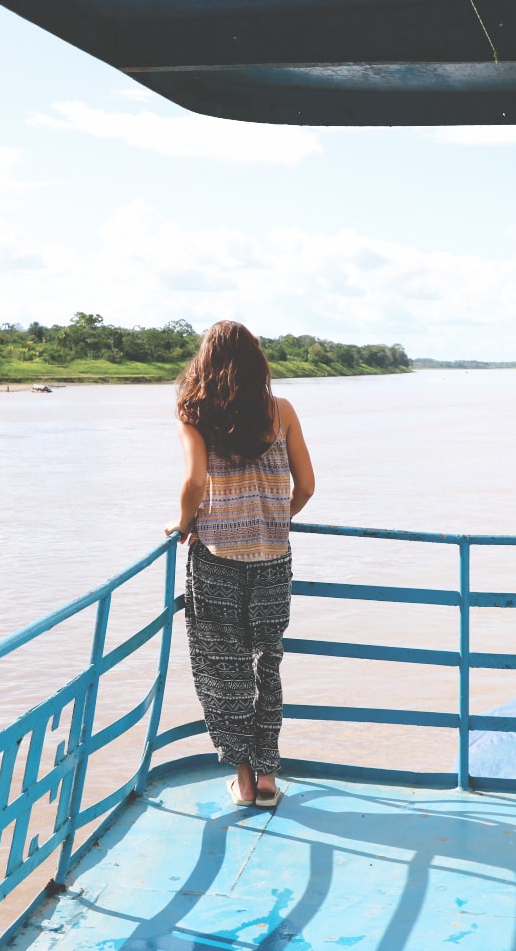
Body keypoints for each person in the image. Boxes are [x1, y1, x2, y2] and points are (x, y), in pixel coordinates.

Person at [165, 321, 315, 808]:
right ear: (258, 363)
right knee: (266, 663)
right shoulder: (283, 411)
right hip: (273, 559)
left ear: (205, 362)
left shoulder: (194, 411)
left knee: (222, 669)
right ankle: (270, 776)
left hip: (216, 561)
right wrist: (273, 518)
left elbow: (192, 484)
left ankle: (245, 780)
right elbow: (307, 487)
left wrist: (185, 521)